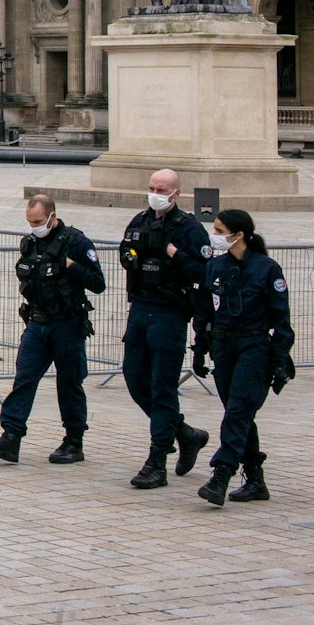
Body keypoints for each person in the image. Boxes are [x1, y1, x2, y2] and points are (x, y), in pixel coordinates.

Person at [0, 194, 105, 464]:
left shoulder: (76, 242)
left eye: (38, 221)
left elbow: (98, 282)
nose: (34, 225)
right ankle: (11, 437)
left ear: (52, 216)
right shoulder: (30, 243)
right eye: (30, 221)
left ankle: (74, 442)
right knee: (24, 378)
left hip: (67, 324)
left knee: (69, 384)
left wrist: (72, 267)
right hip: (37, 323)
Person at [192, 210, 295, 506]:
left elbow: (282, 321)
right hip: (223, 347)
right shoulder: (215, 267)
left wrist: (278, 360)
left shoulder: (267, 269)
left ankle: (221, 474)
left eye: (220, 229)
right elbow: (204, 312)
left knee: (237, 411)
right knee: (239, 413)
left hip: (254, 347)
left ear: (238, 235)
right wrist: (200, 349)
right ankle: (255, 478)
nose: (215, 234)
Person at [117, 168, 211, 489]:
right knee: (134, 377)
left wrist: (175, 254)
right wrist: (130, 256)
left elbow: (203, 272)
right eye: (151, 187)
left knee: (162, 387)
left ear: (176, 194)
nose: (155, 192)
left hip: (170, 313)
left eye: (161, 188)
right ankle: (185, 433)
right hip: (141, 308)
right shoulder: (140, 221)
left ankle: (157, 461)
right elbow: (125, 250)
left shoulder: (189, 229)